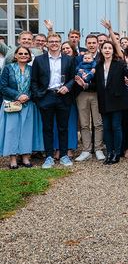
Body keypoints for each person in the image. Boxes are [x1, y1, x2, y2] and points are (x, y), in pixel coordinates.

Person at [30, 33, 76, 169]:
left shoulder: (69, 59)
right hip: (46, 96)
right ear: (47, 43)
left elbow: (73, 78)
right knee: (47, 128)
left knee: (63, 127)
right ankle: (49, 156)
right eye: (51, 41)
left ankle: (63, 155)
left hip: (63, 97)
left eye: (57, 41)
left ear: (60, 43)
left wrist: (67, 87)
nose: (54, 43)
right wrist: (39, 96)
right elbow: (34, 80)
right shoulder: (39, 60)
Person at [93, 40, 128, 165]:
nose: (107, 50)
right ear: (101, 50)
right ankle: (109, 152)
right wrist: (84, 82)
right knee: (106, 128)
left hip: (117, 100)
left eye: (109, 48)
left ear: (113, 50)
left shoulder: (119, 63)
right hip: (104, 101)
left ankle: (116, 153)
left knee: (116, 126)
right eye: (104, 48)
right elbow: (96, 83)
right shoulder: (98, 65)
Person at [0, 46, 40, 168]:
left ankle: (25, 157)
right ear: (15, 55)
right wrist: (18, 96)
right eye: (20, 53)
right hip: (12, 104)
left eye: (25, 54)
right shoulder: (8, 69)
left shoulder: (32, 69)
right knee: (12, 131)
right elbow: (3, 86)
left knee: (26, 131)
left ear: (29, 56)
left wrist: (27, 96)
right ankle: (13, 159)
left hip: (28, 104)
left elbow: (35, 86)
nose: (23, 55)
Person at [74, 34, 105, 162]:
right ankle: (86, 150)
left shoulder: (101, 58)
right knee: (84, 123)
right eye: (89, 43)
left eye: (94, 42)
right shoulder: (79, 58)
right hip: (82, 94)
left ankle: (98, 149)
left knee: (98, 122)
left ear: (98, 44)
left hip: (97, 93)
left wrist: (89, 84)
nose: (91, 45)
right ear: (86, 44)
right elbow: (75, 74)